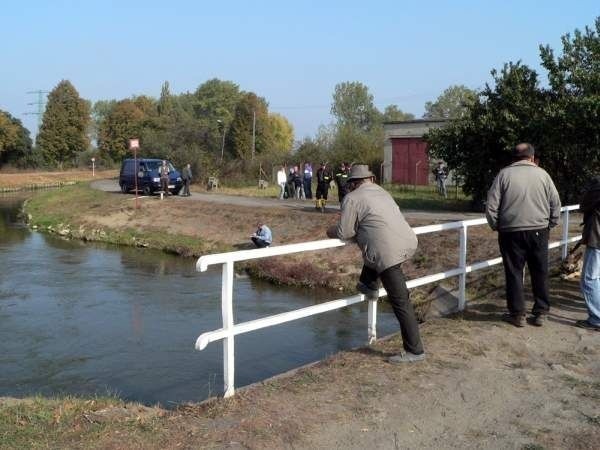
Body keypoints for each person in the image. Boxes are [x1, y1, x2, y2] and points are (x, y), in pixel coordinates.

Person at [326, 164, 425, 363]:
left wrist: (329, 231)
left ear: (353, 184)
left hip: (387, 251)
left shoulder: (352, 198)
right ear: (370, 179)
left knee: (401, 301)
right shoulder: (383, 192)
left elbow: (345, 232)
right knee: (371, 246)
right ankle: (368, 284)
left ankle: (415, 350)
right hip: (408, 241)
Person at [486, 143, 561, 327]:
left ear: (514, 156)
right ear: (532, 156)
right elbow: (555, 203)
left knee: (514, 272)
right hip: (539, 230)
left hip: (510, 231)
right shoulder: (543, 174)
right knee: (540, 271)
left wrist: (497, 226)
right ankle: (541, 312)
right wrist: (550, 223)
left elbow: (491, 206)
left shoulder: (503, 174)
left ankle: (518, 314)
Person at [577, 176, 600, 331]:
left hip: (598, 238)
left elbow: (584, 204)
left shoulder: (598, 186)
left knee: (589, 279)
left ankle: (597, 318)